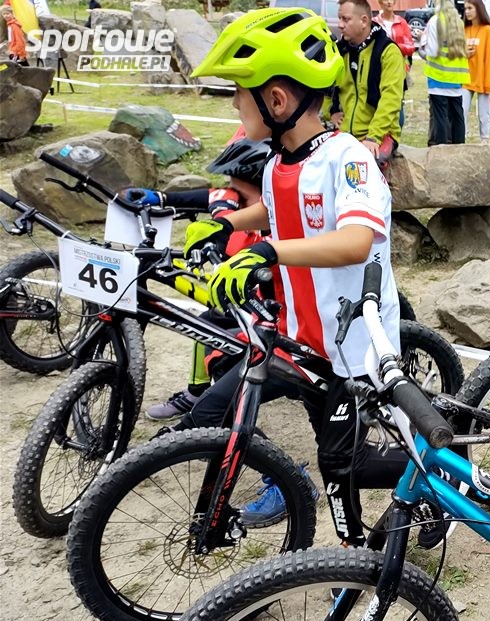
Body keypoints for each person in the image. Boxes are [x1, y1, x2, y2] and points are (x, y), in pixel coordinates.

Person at [186, 7, 412, 546]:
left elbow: (356, 240)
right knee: (213, 409)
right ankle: (273, 502)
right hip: (300, 337)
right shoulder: (277, 163)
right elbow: (277, 208)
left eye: (239, 92)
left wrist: (267, 252)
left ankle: (438, 478)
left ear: (277, 100)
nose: (236, 103)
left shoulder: (348, 158)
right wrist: (226, 225)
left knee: (343, 463)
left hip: (352, 343)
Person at [116, 139, 273, 419]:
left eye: (237, 188)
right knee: (209, 318)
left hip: (266, 311)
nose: (229, 192)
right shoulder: (235, 202)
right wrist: (159, 198)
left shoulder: (276, 223)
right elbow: (210, 196)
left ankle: (205, 400)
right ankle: (197, 394)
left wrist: (224, 220)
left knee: (212, 329)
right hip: (235, 298)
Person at [331, 0, 406, 164]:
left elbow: (391, 99)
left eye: (346, 19)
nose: (340, 25)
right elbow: (325, 87)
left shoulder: (388, 52)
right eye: (339, 18)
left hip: (380, 134)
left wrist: (374, 137)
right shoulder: (340, 51)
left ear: (364, 21)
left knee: (364, 167)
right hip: (346, 133)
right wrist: (331, 112)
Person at [422, 0, 471, 145]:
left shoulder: (435, 21)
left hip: (438, 76)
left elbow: (432, 51)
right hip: (456, 78)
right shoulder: (458, 22)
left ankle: (442, 148)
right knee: (457, 116)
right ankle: (459, 147)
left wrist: (422, 44)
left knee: (440, 117)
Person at [373, 0, 416, 129]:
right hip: (377, 69)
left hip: (398, 70)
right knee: (378, 102)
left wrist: (393, 46)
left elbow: (410, 47)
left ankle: (395, 134)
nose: (389, 2)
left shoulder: (401, 22)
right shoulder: (374, 22)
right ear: (380, 3)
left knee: (397, 104)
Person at [463, 0, 490, 144]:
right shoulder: (465, 30)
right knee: (462, 110)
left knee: (484, 113)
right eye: (465, 8)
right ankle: (461, 138)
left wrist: (489, 82)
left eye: (470, 8)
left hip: (483, 79)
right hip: (465, 79)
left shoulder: (488, 30)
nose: (467, 11)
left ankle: (484, 140)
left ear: (478, 9)